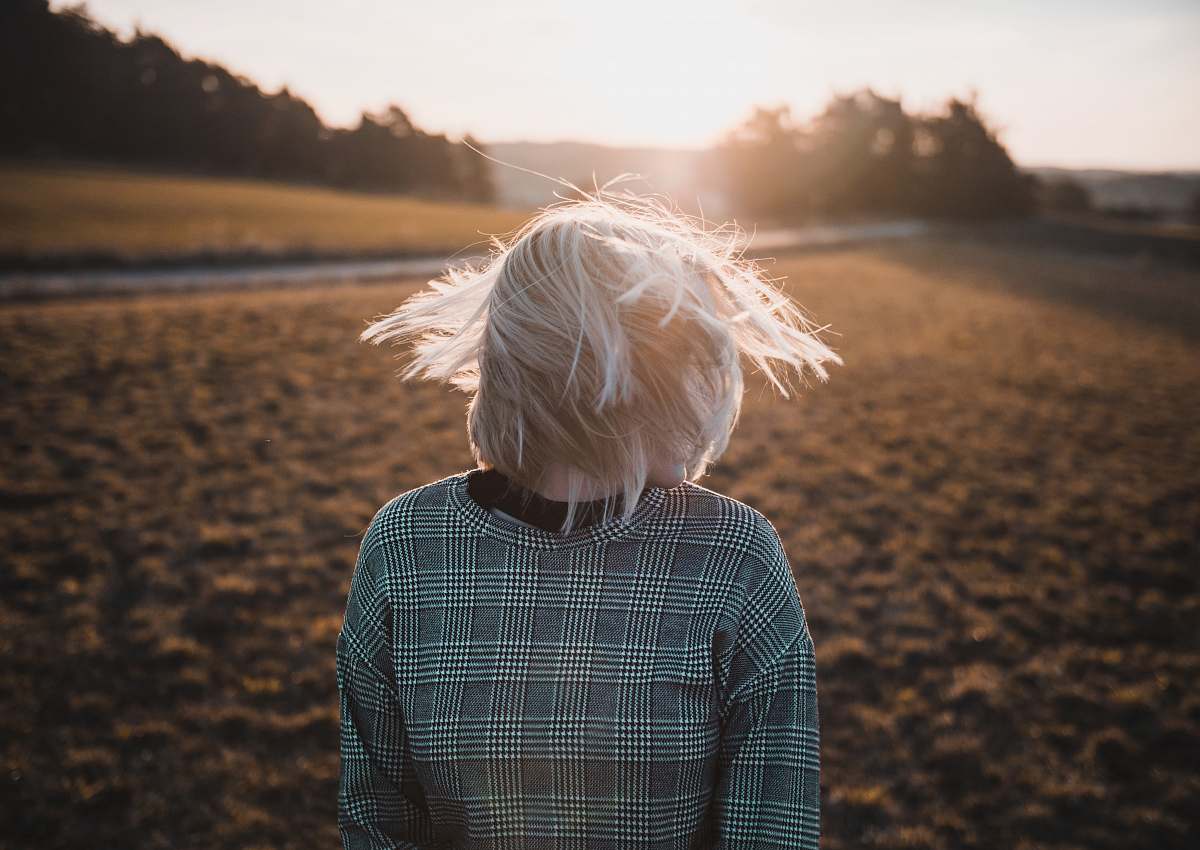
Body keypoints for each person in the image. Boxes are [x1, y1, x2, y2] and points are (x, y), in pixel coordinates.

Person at [336, 185, 841, 849]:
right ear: (634, 377)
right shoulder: (407, 547)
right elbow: (379, 822)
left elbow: (772, 830)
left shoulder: (733, 558)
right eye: (688, 358)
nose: (707, 389)